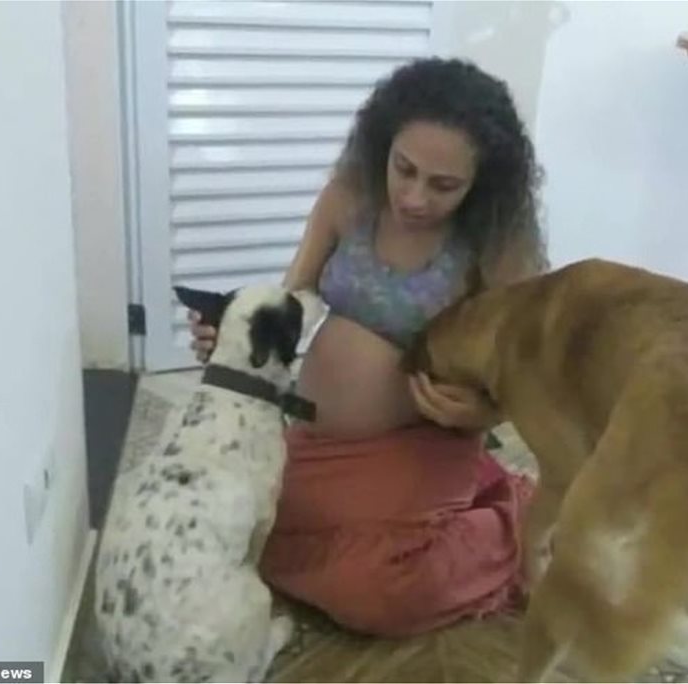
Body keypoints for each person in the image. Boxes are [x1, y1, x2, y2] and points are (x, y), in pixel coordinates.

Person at [187, 57, 547, 636]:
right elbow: (294, 297)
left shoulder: (495, 242)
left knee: (380, 589)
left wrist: (485, 412)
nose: (414, 197)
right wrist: (234, 337)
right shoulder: (347, 198)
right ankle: (439, 507)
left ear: (480, 183)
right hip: (319, 437)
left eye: (443, 185)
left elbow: (531, 370)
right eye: (404, 169)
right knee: (238, 528)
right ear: (384, 145)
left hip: (425, 441)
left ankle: (512, 522)